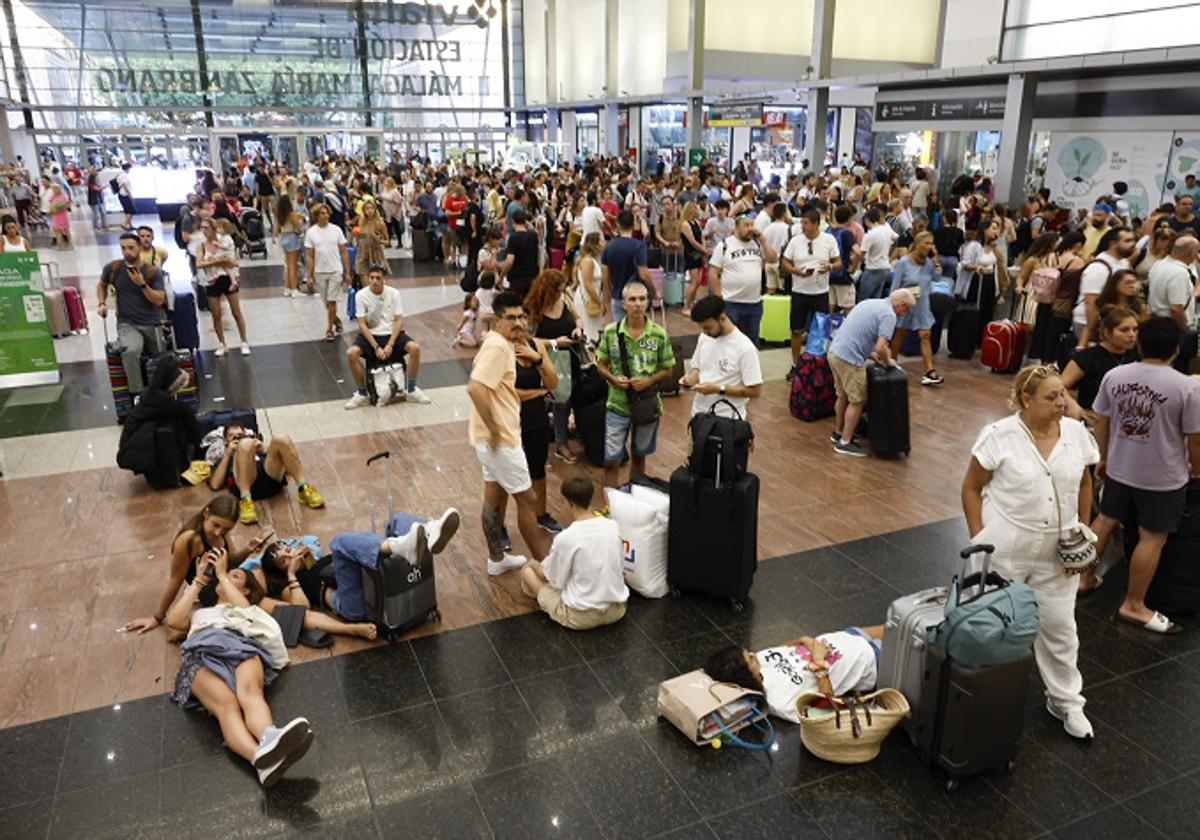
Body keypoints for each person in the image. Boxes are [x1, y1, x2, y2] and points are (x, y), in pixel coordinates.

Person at [961, 365, 1100, 740]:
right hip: (1007, 544)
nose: (1061, 403)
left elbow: (1086, 482)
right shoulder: (999, 436)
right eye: (1052, 397)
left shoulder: (1075, 434)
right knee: (992, 624)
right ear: (1026, 399)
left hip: (1058, 551)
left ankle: (1066, 701)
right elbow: (972, 488)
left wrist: (1082, 528)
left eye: (1063, 395)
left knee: (1060, 626)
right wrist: (980, 538)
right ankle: (978, 698)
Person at [1087, 317, 1200, 635]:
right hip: (1162, 478)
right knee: (1153, 538)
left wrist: (1104, 456)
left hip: (1120, 468)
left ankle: (1082, 577)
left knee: (1105, 521)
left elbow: (1101, 420)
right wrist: (1197, 469)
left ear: (1139, 344)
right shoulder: (1187, 387)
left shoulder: (1115, 375)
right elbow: (1195, 438)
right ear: (1176, 350)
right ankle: (1134, 604)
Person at [165, 546, 313, 787]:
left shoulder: (244, 610)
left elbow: (245, 609)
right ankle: (260, 760)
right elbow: (173, 621)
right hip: (201, 655)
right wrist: (200, 580)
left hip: (240, 645)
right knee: (227, 705)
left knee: (251, 693)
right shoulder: (201, 613)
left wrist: (223, 574)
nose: (228, 574)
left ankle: (269, 735)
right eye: (228, 573)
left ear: (244, 590)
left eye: (237, 575)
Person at [467, 290, 550, 575]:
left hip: (489, 438)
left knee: (493, 497)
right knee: (527, 500)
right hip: (500, 439)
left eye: (522, 316)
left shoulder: (495, 341)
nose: (519, 323)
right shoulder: (500, 347)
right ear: (498, 320)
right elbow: (475, 388)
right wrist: (494, 429)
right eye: (511, 318)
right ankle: (545, 564)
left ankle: (496, 559)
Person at [124, 495, 274, 634]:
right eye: (215, 525)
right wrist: (157, 617)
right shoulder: (189, 540)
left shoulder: (221, 530)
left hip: (226, 578)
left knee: (266, 577)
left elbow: (231, 560)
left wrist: (248, 550)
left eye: (226, 529)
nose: (218, 532)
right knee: (257, 602)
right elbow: (175, 580)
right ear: (206, 513)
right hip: (212, 589)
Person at [704, 625, 885, 722]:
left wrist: (803, 640)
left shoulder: (759, 661)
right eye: (749, 659)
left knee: (901, 620)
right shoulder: (780, 702)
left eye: (748, 653)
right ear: (746, 677)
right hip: (868, 660)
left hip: (845, 637)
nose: (753, 655)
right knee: (907, 637)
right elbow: (826, 705)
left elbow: (784, 648)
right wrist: (819, 662)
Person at [518, 477, 629, 630]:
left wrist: (537, 565)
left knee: (527, 571)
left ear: (569, 502)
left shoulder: (566, 537)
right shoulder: (612, 526)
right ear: (590, 498)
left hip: (580, 618)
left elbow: (552, 578)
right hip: (617, 610)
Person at [595, 280, 676, 488]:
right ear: (623, 304)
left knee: (640, 458)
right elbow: (600, 363)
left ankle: (634, 499)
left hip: (646, 405)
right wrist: (613, 379)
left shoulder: (659, 333)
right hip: (617, 405)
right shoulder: (611, 332)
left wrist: (649, 380)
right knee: (611, 460)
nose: (638, 304)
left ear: (648, 303)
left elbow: (668, 369)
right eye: (632, 299)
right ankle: (611, 503)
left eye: (642, 299)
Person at [827, 289, 915, 457]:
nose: (906, 313)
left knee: (842, 395)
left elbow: (858, 333)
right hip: (850, 359)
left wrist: (871, 354)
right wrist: (888, 361)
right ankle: (845, 443)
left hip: (835, 352)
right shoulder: (889, 315)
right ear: (901, 304)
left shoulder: (870, 303)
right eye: (907, 309)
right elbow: (881, 347)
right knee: (858, 400)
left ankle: (838, 432)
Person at [343, 264, 430, 408]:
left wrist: (390, 344)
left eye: (378, 278)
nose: (374, 281)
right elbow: (362, 324)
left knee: (415, 348)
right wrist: (375, 346)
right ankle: (362, 393)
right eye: (371, 278)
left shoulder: (394, 293)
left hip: (391, 333)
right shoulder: (361, 295)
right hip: (371, 335)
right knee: (351, 353)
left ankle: (411, 389)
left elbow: (398, 320)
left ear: (384, 280)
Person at [204, 421, 325, 524]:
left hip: (270, 479)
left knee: (281, 438)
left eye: (241, 435)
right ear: (225, 440)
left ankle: (303, 488)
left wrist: (264, 449)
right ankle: (246, 500)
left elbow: (288, 471)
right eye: (233, 436)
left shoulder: (255, 447)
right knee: (245, 444)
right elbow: (215, 485)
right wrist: (228, 453)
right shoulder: (225, 457)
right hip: (246, 486)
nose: (238, 438)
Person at [97, 232, 168, 397]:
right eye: (123, 248)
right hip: (127, 322)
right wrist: (102, 303)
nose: (127, 252)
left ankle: (161, 392)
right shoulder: (113, 268)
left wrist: (142, 284)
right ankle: (137, 394)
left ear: (139, 248)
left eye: (131, 248)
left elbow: (158, 300)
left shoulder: (152, 272)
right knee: (131, 350)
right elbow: (101, 285)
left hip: (152, 322)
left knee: (161, 356)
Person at [527, 268, 583, 466]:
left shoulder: (565, 300)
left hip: (570, 359)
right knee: (545, 401)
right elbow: (528, 340)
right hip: (546, 361)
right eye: (558, 290)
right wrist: (554, 342)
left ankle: (561, 442)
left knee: (564, 401)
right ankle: (540, 442)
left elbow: (577, 318)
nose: (561, 294)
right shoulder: (534, 308)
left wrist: (578, 328)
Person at [680, 295, 763, 419]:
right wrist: (690, 379)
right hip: (699, 414)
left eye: (708, 327)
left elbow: (755, 391)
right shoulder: (705, 337)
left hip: (728, 418)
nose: (705, 332)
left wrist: (718, 389)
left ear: (722, 318)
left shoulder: (745, 348)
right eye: (702, 328)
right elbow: (698, 367)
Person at [781, 208, 842, 366]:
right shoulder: (795, 241)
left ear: (816, 224)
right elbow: (785, 263)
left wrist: (829, 266)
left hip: (820, 292)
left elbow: (838, 262)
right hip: (799, 292)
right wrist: (795, 271)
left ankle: (818, 364)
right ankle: (795, 364)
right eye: (802, 222)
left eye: (806, 223)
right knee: (796, 330)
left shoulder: (829, 240)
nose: (802, 226)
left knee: (821, 329)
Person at [1060, 306, 1140, 422]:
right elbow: (1061, 385)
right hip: (1093, 418)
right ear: (1107, 332)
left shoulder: (1137, 355)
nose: (1132, 335)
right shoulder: (1087, 357)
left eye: (1135, 329)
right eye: (1124, 330)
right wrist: (1072, 404)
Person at [707, 215, 777, 346]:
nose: (750, 229)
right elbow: (713, 272)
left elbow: (773, 259)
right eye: (746, 225)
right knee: (728, 340)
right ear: (736, 227)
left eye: (752, 225)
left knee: (751, 342)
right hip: (731, 302)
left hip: (753, 303)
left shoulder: (756, 244)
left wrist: (763, 239)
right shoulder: (725, 245)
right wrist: (718, 298)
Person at [888, 231, 944, 387]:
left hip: (922, 304)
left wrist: (936, 262)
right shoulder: (903, 263)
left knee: (925, 335)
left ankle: (929, 371)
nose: (929, 247)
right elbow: (895, 286)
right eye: (926, 243)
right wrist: (892, 305)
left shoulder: (928, 263)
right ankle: (892, 363)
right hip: (905, 305)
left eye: (932, 243)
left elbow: (937, 278)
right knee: (900, 334)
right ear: (917, 244)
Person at [196, 218, 251, 357]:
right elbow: (199, 263)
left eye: (207, 228)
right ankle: (222, 343)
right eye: (202, 228)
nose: (204, 231)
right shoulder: (202, 245)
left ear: (213, 229)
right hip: (212, 281)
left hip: (226, 278)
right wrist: (218, 261)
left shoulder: (223, 242)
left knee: (236, 312)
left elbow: (233, 262)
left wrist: (218, 261)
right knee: (216, 314)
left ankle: (244, 341)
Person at [1075, 227, 1135, 348]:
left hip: (1114, 322)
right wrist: (1089, 334)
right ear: (1113, 244)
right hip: (1092, 323)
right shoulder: (1098, 268)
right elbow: (1091, 303)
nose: (1133, 244)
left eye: (1133, 240)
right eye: (1127, 241)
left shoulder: (1124, 263)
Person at [304, 203, 352, 342]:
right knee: (326, 303)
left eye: (326, 213)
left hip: (335, 270)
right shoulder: (311, 233)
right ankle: (336, 320)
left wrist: (347, 271)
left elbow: (344, 252)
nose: (325, 215)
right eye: (322, 213)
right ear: (317, 216)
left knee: (332, 302)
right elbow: (310, 255)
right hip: (320, 271)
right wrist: (310, 275)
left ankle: (329, 329)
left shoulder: (336, 230)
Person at [956, 215, 1004, 347]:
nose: (996, 232)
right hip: (977, 280)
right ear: (984, 230)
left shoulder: (994, 248)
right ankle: (972, 338)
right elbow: (964, 263)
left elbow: (998, 264)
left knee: (988, 310)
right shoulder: (974, 246)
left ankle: (983, 339)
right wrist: (976, 267)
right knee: (978, 309)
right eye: (993, 228)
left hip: (990, 280)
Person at [601, 210, 651, 322]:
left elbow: (605, 276)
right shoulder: (638, 246)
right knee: (638, 329)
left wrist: (608, 296)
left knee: (620, 331)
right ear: (633, 225)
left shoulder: (609, 247)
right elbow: (643, 274)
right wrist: (653, 290)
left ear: (618, 224)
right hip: (636, 296)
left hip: (617, 296)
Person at [1147, 235, 1198, 331]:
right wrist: (1185, 329)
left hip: (1155, 321)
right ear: (1192, 253)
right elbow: (1175, 309)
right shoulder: (1179, 273)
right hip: (1171, 328)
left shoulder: (1158, 264)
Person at [499, 207, 540, 299]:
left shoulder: (513, 238)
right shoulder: (533, 236)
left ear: (513, 221)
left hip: (517, 278)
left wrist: (501, 276)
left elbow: (510, 261)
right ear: (525, 221)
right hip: (531, 277)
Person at [573, 232, 606, 343]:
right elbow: (588, 285)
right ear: (595, 244)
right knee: (589, 328)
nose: (604, 243)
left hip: (591, 297)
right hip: (588, 298)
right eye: (601, 241)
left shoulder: (592, 260)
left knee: (593, 328)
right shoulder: (588, 261)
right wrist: (600, 302)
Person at [274, 193, 305, 297]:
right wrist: (299, 232)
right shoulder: (291, 215)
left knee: (287, 265)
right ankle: (294, 289)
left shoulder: (279, 215)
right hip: (292, 237)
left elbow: (276, 229)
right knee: (293, 265)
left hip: (283, 238)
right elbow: (298, 228)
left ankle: (287, 288)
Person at [48, 183, 71, 250]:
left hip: (63, 215)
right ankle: (60, 245)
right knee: (57, 231)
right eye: (53, 189)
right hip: (56, 216)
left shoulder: (63, 196)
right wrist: (51, 211)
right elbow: (51, 205)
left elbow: (67, 205)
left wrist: (60, 209)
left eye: (56, 188)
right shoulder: (53, 197)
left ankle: (70, 244)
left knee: (66, 230)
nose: (54, 190)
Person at [86, 165, 106, 230]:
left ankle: (103, 225)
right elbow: (94, 187)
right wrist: (102, 188)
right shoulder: (91, 178)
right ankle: (95, 226)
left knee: (102, 212)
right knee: (96, 213)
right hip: (93, 198)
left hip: (98, 197)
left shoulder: (95, 176)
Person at [115, 163, 135, 229]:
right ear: (127, 168)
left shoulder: (120, 175)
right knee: (131, 210)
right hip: (125, 195)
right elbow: (125, 186)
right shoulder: (123, 175)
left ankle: (130, 225)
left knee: (127, 211)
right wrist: (130, 195)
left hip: (122, 195)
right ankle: (125, 224)